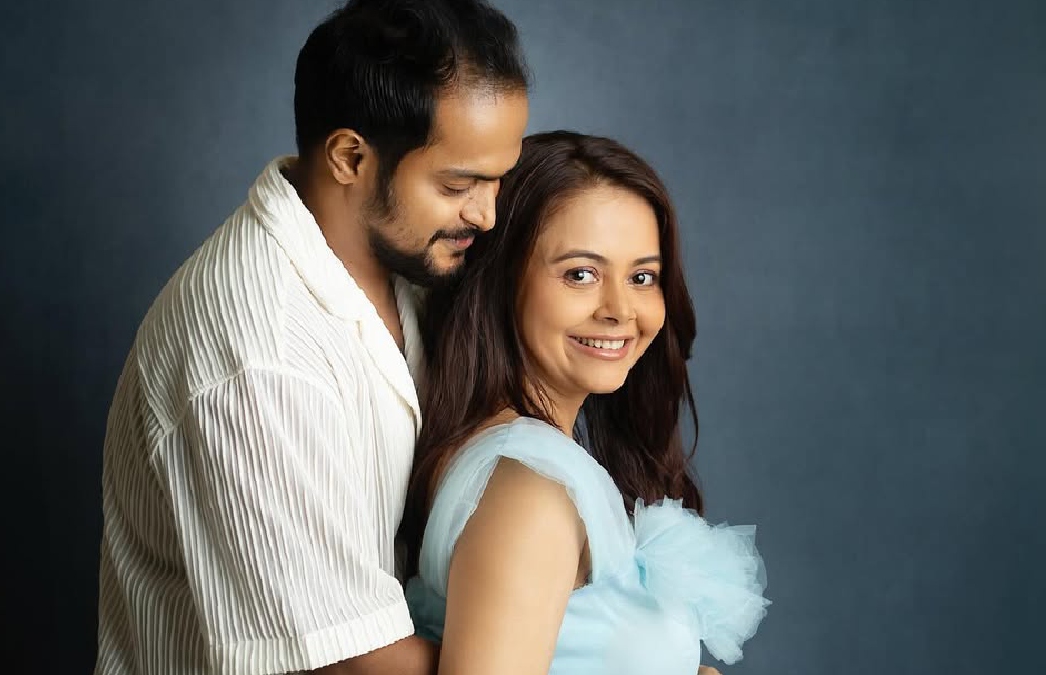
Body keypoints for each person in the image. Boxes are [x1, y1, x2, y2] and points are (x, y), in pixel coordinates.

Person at [92, 0, 529, 672]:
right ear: (350, 157)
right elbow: (350, 661)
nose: (488, 214)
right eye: (458, 184)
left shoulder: (420, 260)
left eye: (499, 179)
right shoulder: (260, 355)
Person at [399, 131, 771, 675]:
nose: (620, 309)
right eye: (581, 274)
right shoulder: (530, 492)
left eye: (642, 277)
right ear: (501, 280)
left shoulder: (523, 463)